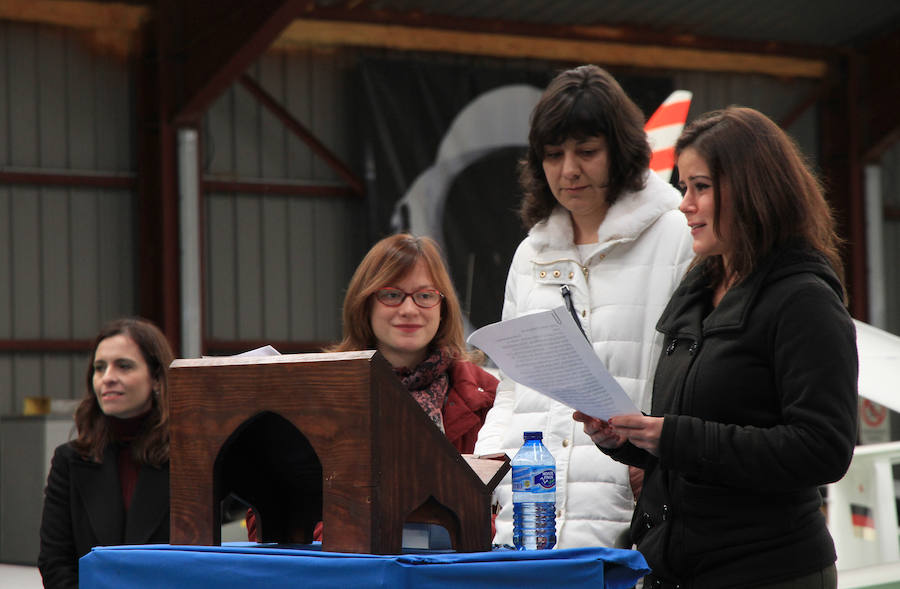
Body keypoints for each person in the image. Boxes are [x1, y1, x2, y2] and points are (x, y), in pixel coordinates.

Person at [575, 106, 858, 587]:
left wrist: (671, 436)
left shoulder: (804, 299)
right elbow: (694, 444)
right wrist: (631, 440)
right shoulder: (697, 288)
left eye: (701, 187)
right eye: (684, 187)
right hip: (677, 569)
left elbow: (823, 449)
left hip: (767, 572)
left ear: (753, 189)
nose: (685, 204)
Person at [473, 64, 694, 549]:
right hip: (529, 520)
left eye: (587, 151)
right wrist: (491, 469)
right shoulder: (531, 254)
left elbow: (697, 378)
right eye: (553, 155)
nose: (568, 170)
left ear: (623, 153)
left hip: (634, 520)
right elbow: (511, 386)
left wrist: (660, 467)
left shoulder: (679, 237)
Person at [246, 233, 497, 541]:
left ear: (442, 307)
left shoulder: (489, 397)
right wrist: (347, 533)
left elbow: (514, 507)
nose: (409, 309)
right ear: (364, 304)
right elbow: (265, 517)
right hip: (345, 564)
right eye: (391, 295)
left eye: (425, 295)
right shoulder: (316, 394)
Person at [38, 317, 175, 589]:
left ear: (157, 378)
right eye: (99, 368)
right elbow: (55, 563)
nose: (107, 378)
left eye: (124, 366)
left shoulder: (189, 460)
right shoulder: (70, 461)